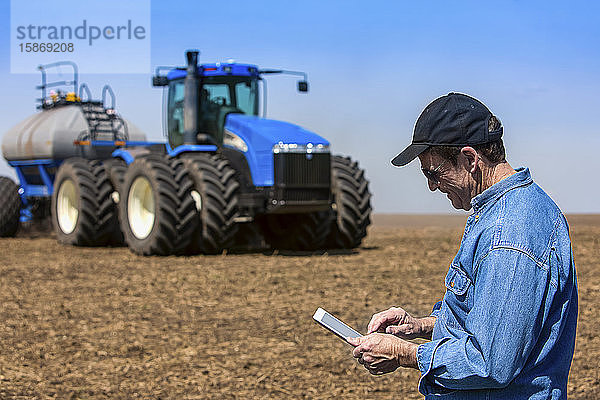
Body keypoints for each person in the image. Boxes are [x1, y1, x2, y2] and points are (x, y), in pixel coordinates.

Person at [347, 93, 578, 399]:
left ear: (470, 160)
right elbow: (487, 320)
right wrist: (419, 326)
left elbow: (491, 362)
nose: (432, 186)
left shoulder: (509, 235)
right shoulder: (504, 213)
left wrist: (406, 354)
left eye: (434, 172)